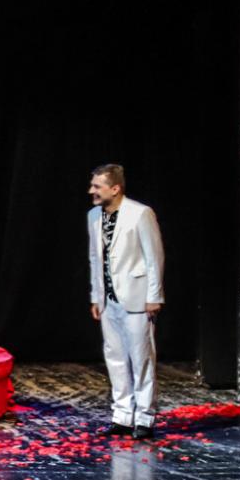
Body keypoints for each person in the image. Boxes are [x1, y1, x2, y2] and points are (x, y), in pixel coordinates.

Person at [86, 163, 164, 439]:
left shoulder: (140, 213)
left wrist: (154, 296)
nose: (91, 191)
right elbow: (95, 258)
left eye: (97, 186)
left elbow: (154, 257)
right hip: (109, 300)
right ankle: (122, 415)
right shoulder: (94, 216)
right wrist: (96, 296)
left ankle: (144, 417)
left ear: (115, 188)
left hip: (137, 297)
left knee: (141, 359)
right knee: (115, 357)